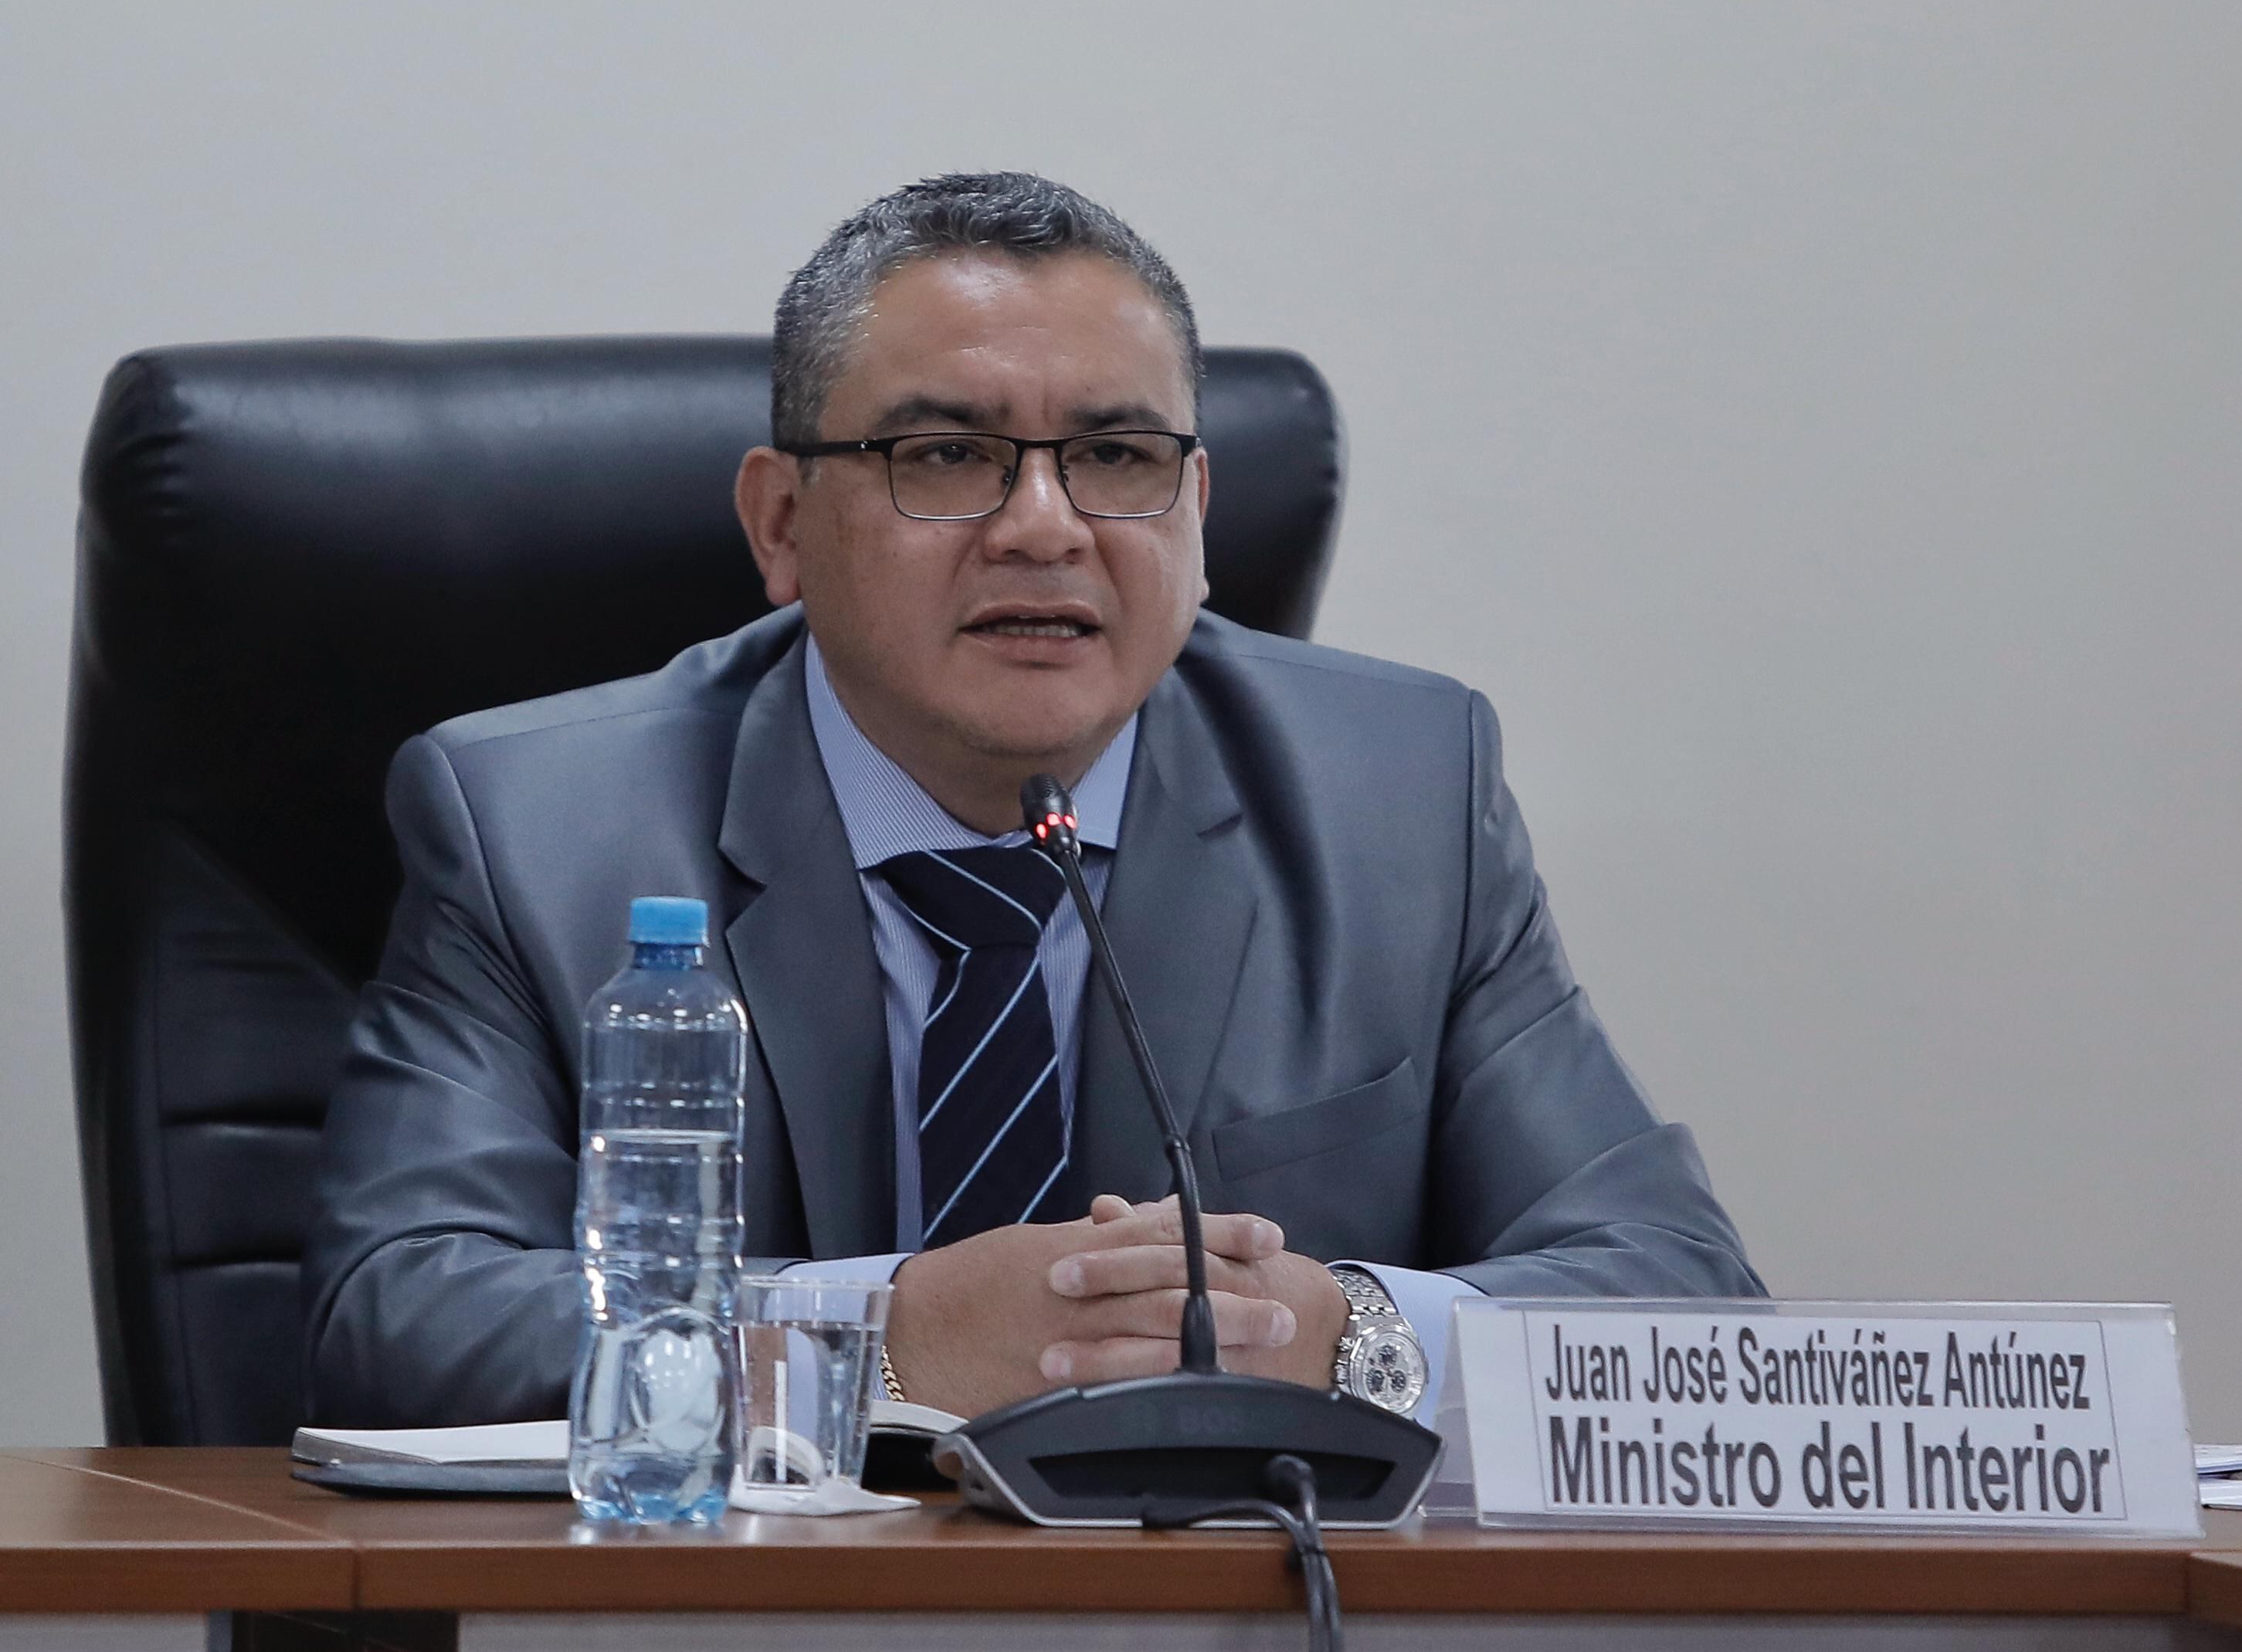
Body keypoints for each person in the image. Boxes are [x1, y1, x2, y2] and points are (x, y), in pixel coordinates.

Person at [301, 172, 1760, 1429]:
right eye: (946, 457)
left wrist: (1336, 1335)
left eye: (1120, 457)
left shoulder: (1401, 794)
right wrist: (887, 1340)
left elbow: (1682, 1303)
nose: (1045, 526)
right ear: (783, 523)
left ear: (1197, 517)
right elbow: (399, 1321)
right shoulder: (534, 825)